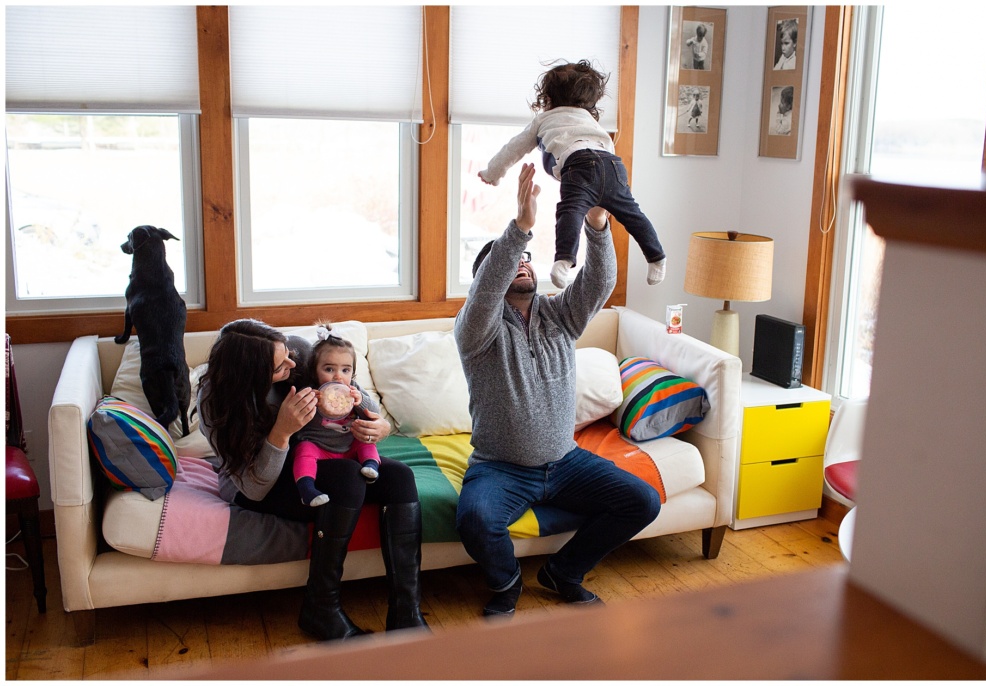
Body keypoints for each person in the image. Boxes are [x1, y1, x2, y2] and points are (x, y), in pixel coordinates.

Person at [454, 163, 661, 618]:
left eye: (527, 260)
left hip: (567, 462)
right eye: (511, 262)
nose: (523, 264)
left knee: (642, 501)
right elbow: (487, 293)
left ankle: (563, 572)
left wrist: (598, 223)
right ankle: (507, 585)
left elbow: (599, 282)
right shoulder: (477, 330)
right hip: (500, 468)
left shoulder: (559, 316)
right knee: (474, 519)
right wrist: (519, 232)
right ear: (485, 281)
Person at [197, 319, 429, 640]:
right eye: (281, 366)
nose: (293, 364)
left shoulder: (296, 353)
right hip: (256, 480)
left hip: (314, 457)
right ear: (252, 373)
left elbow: (352, 397)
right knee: (348, 478)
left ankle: (407, 610)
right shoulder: (217, 403)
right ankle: (321, 608)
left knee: (400, 476)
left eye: (288, 355)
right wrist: (281, 431)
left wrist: (381, 426)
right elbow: (255, 487)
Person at [477, 60, 666, 289]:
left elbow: (513, 149)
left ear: (548, 98)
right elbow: (606, 150)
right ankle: (656, 259)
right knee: (633, 216)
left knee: (570, 212)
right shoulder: (591, 120)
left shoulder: (544, 119)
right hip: (614, 165)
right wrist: (607, 191)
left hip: (578, 163)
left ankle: (564, 261)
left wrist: (492, 173)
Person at [293, 323, 382, 509]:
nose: (338, 377)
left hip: (349, 446)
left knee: (365, 440)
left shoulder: (354, 391)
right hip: (319, 447)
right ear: (314, 371)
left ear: (353, 372)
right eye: (329, 369)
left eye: (345, 370)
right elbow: (296, 424)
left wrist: (361, 401)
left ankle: (371, 466)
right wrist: (311, 404)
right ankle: (306, 489)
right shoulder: (309, 393)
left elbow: (375, 414)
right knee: (303, 450)